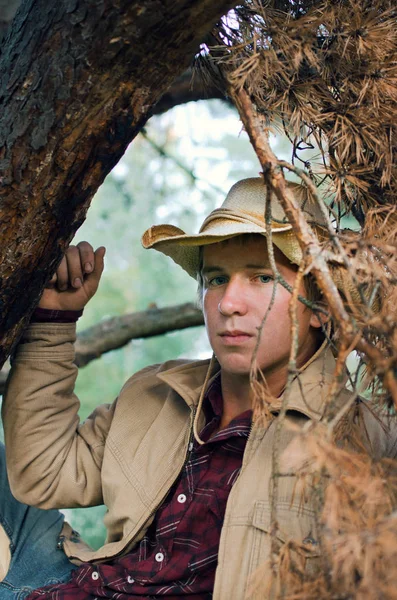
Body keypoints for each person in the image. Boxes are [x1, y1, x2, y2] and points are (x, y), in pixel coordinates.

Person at [0, 177, 395, 599]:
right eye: (217, 278)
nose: (228, 303)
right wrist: (53, 323)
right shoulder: (154, 391)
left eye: (262, 278)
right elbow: (44, 474)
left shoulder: (361, 441)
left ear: (319, 303)